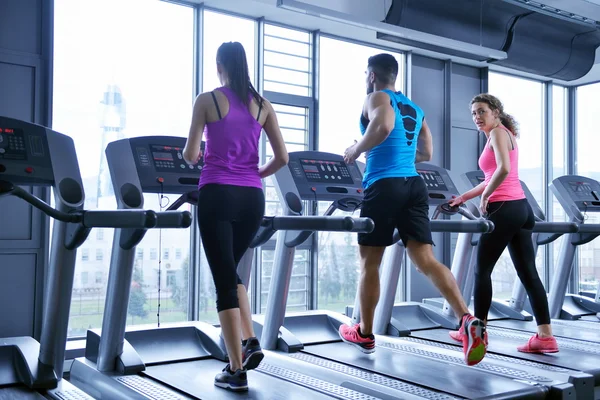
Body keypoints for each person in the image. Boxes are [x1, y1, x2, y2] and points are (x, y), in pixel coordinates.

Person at [339, 53, 486, 366]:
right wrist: (395, 158)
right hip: (413, 184)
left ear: (372, 75)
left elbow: (381, 126)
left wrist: (356, 150)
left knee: (370, 264)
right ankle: (465, 320)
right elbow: (426, 151)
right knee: (426, 260)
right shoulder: (414, 107)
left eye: (367, 73)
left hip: (383, 186)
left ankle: (364, 333)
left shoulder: (376, 96)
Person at [183, 41, 289, 391]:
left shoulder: (208, 100)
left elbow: (190, 153)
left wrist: (197, 156)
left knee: (224, 282)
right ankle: (250, 340)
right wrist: (254, 174)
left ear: (219, 66)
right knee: (232, 270)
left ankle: (235, 369)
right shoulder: (263, 105)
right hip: (252, 198)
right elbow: (282, 159)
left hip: (217, 193)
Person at [448, 93, 559, 354]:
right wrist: (465, 196)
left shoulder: (497, 133)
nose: (477, 117)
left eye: (482, 111)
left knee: (482, 270)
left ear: (496, 111)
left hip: (503, 207)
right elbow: (492, 175)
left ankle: (478, 334)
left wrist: (486, 196)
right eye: (474, 112)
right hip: (521, 208)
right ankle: (545, 336)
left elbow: (504, 169)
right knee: (528, 273)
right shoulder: (504, 133)